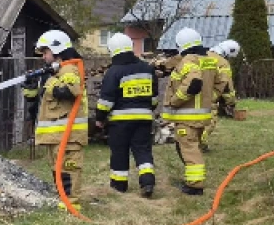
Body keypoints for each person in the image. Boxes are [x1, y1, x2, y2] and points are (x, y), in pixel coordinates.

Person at [25, 29, 88, 201]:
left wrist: (50, 82)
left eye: (45, 52)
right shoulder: (55, 73)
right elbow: (34, 100)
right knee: (58, 169)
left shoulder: (69, 70)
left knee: (69, 169)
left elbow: (69, 91)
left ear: (57, 50)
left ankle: (71, 203)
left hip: (69, 136)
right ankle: (64, 200)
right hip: (56, 135)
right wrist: (29, 85)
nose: (43, 57)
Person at [94, 33, 157, 197]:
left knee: (120, 152)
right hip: (144, 119)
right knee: (143, 150)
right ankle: (148, 182)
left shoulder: (113, 72)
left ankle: (119, 186)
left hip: (120, 122)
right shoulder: (148, 68)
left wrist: (100, 119)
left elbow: (105, 101)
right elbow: (154, 98)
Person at [161, 27, 219, 195]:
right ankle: (192, 180)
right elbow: (219, 84)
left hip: (188, 116)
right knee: (193, 147)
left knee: (189, 149)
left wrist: (175, 100)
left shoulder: (188, 61)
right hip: (202, 114)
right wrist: (210, 98)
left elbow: (193, 82)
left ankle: (194, 185)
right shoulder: (208, 60)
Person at [201, 40, 239, 151]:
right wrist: (230, 102)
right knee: (209, 122)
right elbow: (226, 84)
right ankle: (200, 144)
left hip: (193, 93)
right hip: (209, 96)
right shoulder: (223, 63)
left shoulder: (203, 55)